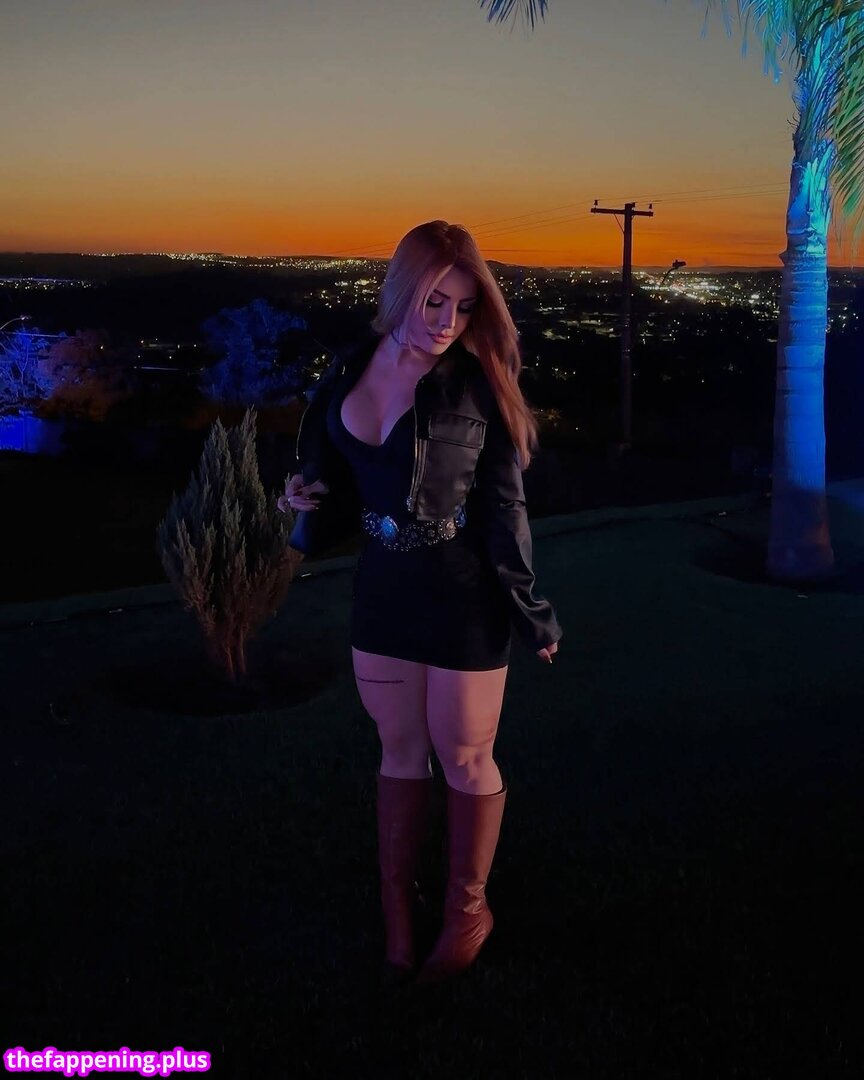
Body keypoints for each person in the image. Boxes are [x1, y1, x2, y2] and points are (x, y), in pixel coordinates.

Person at [278, 220, 563, 987]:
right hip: (383, 594)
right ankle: (398, 911)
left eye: (464, 308)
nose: (447, 322)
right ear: (401, 288)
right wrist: (300, 499)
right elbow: (338, 488)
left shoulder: (474, 384)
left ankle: (467, 910)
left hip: (465, 598)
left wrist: (531, 611)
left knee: (466, 757)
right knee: (399, 750)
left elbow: (504, 510)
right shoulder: (347, 369)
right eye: (435, 301)